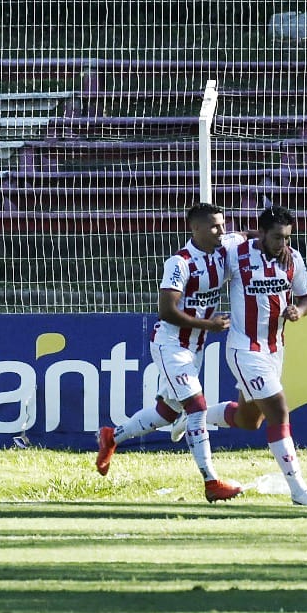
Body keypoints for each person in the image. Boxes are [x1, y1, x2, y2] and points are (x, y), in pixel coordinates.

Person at [180, 204, 307, 507]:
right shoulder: (238, 252)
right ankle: (299, 490)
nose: (283, 244)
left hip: (275, 349)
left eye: (287, 238)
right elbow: (213, 241)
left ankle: (193, 419)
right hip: (244, 349)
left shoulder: (293, 259)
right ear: (262, 233)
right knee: (279, 411)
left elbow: (306, 295)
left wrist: (298, 311)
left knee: (249, 419)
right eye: (277, 237)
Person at [95, 202, 244, 503]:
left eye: (223, 223)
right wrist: (209, 324)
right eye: (215, 226)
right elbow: (166, 310)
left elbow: (245, 236)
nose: (221, 230)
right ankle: (211, 482)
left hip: (196, 347)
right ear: (196, 228)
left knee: (166, 413)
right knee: (198, 407)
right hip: (171, 344)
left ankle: (112, 436)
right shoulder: (180, 263)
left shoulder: (223, 248)